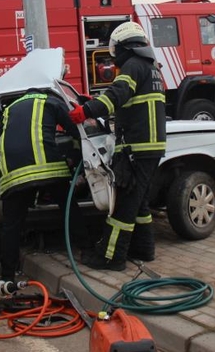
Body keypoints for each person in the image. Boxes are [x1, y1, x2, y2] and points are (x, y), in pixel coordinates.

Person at [69, 21, 166, 271]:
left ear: (122, 46)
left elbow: (117, 95)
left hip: (136, 148)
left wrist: (86, 111)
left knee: (123, 204)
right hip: (150, 147)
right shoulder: (151, 68)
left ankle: (111, 257)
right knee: (139, 201)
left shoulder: (132, 66)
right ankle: (144, 248)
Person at [0, 88, 90, 282]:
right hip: (48, 168)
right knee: (68, 208)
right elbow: (77, 132)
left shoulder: (9, 109)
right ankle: (87, 250)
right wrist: (75, 159)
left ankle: (7, 278)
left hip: (13, 176)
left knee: (11, 226)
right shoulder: (51, 101)